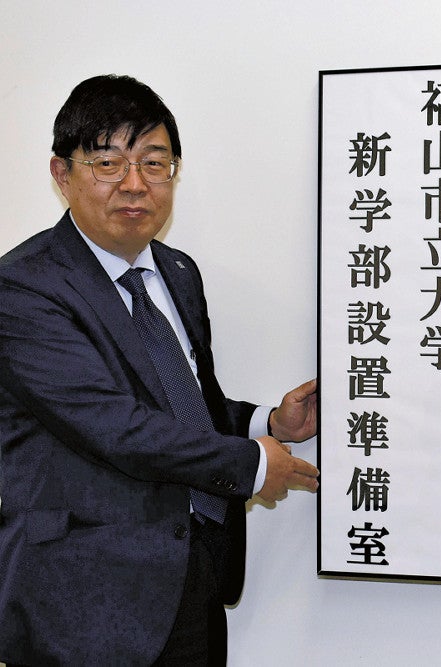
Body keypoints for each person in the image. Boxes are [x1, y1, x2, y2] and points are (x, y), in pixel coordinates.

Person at [0, 74, 320, 664]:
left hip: (191, 575)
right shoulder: (23, 287)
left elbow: (180, 403)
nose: (135, 184)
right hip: (81, 601)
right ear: (60, 173)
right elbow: (110, 423)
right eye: (107, 163)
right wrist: (249, 465)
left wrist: (266, 423)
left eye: (155, 162)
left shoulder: (176, 272)